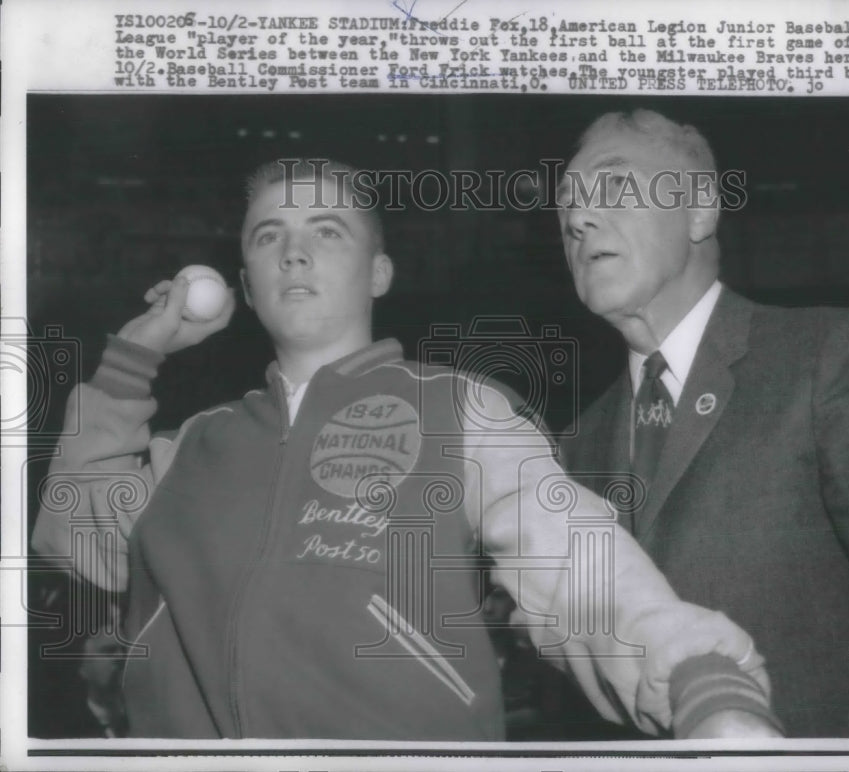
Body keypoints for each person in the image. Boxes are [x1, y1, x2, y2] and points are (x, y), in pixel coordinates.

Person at [32, 158, 781, 740]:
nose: (294, 253)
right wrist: (135, 353)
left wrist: (700, 678)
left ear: (380, 272)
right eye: (268, 236)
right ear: (247, 288)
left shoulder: (460, 409)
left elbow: (571, 556)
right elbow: (75, 534)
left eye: (327, 231)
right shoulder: (193, 444)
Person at [555, 109, 849, 738]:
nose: (578, 217)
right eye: (566, 202)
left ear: (699, 211)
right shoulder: (573, 449)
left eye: (613, 184)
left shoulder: (829, 356)